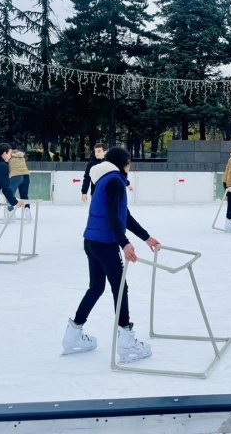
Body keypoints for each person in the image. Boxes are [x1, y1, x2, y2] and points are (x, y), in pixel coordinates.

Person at [62, 147, 160, 363]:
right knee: (120, 287)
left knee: (96, 287)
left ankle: (73, 334)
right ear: (124, 162)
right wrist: (123, 243)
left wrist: (145, 237)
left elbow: (122, 214)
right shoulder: (115, 181)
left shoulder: (104, 179)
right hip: (105, 243)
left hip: (91, 240)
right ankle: (126, 339)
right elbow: (114, 219)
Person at [6, 144, 32, 223]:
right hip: (26, 175)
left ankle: (11, 214)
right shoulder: (21, 156)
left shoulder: (9, 156)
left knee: (9, 195)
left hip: (15, 176)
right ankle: (27, 210)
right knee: (24, 195)